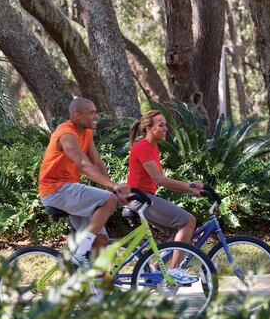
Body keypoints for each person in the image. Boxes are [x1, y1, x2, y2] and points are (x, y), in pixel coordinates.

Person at [39, 98, 129, 266]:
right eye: (92, 113)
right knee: (109, 200)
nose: (96, 116)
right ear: (77, 115)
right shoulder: (66, 134)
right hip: (57, 190)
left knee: (101, 240)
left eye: (96, 112)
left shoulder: (86, 133)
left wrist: (113, 188)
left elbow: (96, 162)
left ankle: (99, 289)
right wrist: (113, 188)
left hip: (69, 189)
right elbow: (83, 164)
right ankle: (81, 252)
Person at [127, 110, 203, 277]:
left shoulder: (152, 148)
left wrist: (189, 188)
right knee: (188, 221)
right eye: (161, 125)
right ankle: (175, 271)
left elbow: (162, 180)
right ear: (149, 128)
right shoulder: (143, 147)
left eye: (165, 125)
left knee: (179, 233)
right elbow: (159, 179)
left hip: (144, 198)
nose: (165, 128)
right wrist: (189, 187)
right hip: (140, 199)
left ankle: (154, 269)